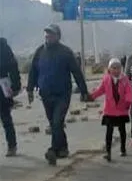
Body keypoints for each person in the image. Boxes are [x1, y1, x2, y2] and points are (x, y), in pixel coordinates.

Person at [27, 24, 89, 165]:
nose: (48, 37)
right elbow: (33, 72)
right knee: (55, 123)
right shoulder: (39, 52)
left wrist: (84, 91)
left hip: (62, 94)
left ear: (58, 36)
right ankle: (63, 148)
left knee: (56, 122)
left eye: (51, 34)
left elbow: (76, 72)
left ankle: (53, 150)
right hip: (45, 94)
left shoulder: (66, 52)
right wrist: (30, 89)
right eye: (46, 34)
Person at [90, 59, 132, 162]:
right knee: (109, 131)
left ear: (121, 69)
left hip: (122, 109)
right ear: (109, 69)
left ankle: (123, 148)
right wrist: (91, 96)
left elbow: (129, 91)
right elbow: (100, 90)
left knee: (122, 130)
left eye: (118, 68)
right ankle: (108, 152)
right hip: (110, 110)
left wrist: (128, 101)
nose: (116, 70)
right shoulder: (106, 79)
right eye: (113, 68)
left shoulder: (125, 79)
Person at [0, 37, 21, 157]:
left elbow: (13, 67)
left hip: (2, 86)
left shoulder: (3, 47)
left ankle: (12, 145)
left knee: (5, 117)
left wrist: (16, 85)